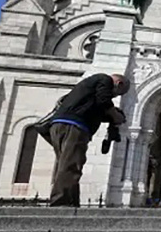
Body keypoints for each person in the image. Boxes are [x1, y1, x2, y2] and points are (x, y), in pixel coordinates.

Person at [45, 73, 129, 207]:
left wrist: (111, 118)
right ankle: (61, 202)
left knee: (68, 164)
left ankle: (72, 201)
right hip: (73, 126)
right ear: (119, 84)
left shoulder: (88, 90)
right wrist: (115, 115)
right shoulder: (104, 80)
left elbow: (96, 109)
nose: (114, 96)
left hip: (60, 124)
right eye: (118, 94)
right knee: (71, 165)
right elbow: (104, 100)